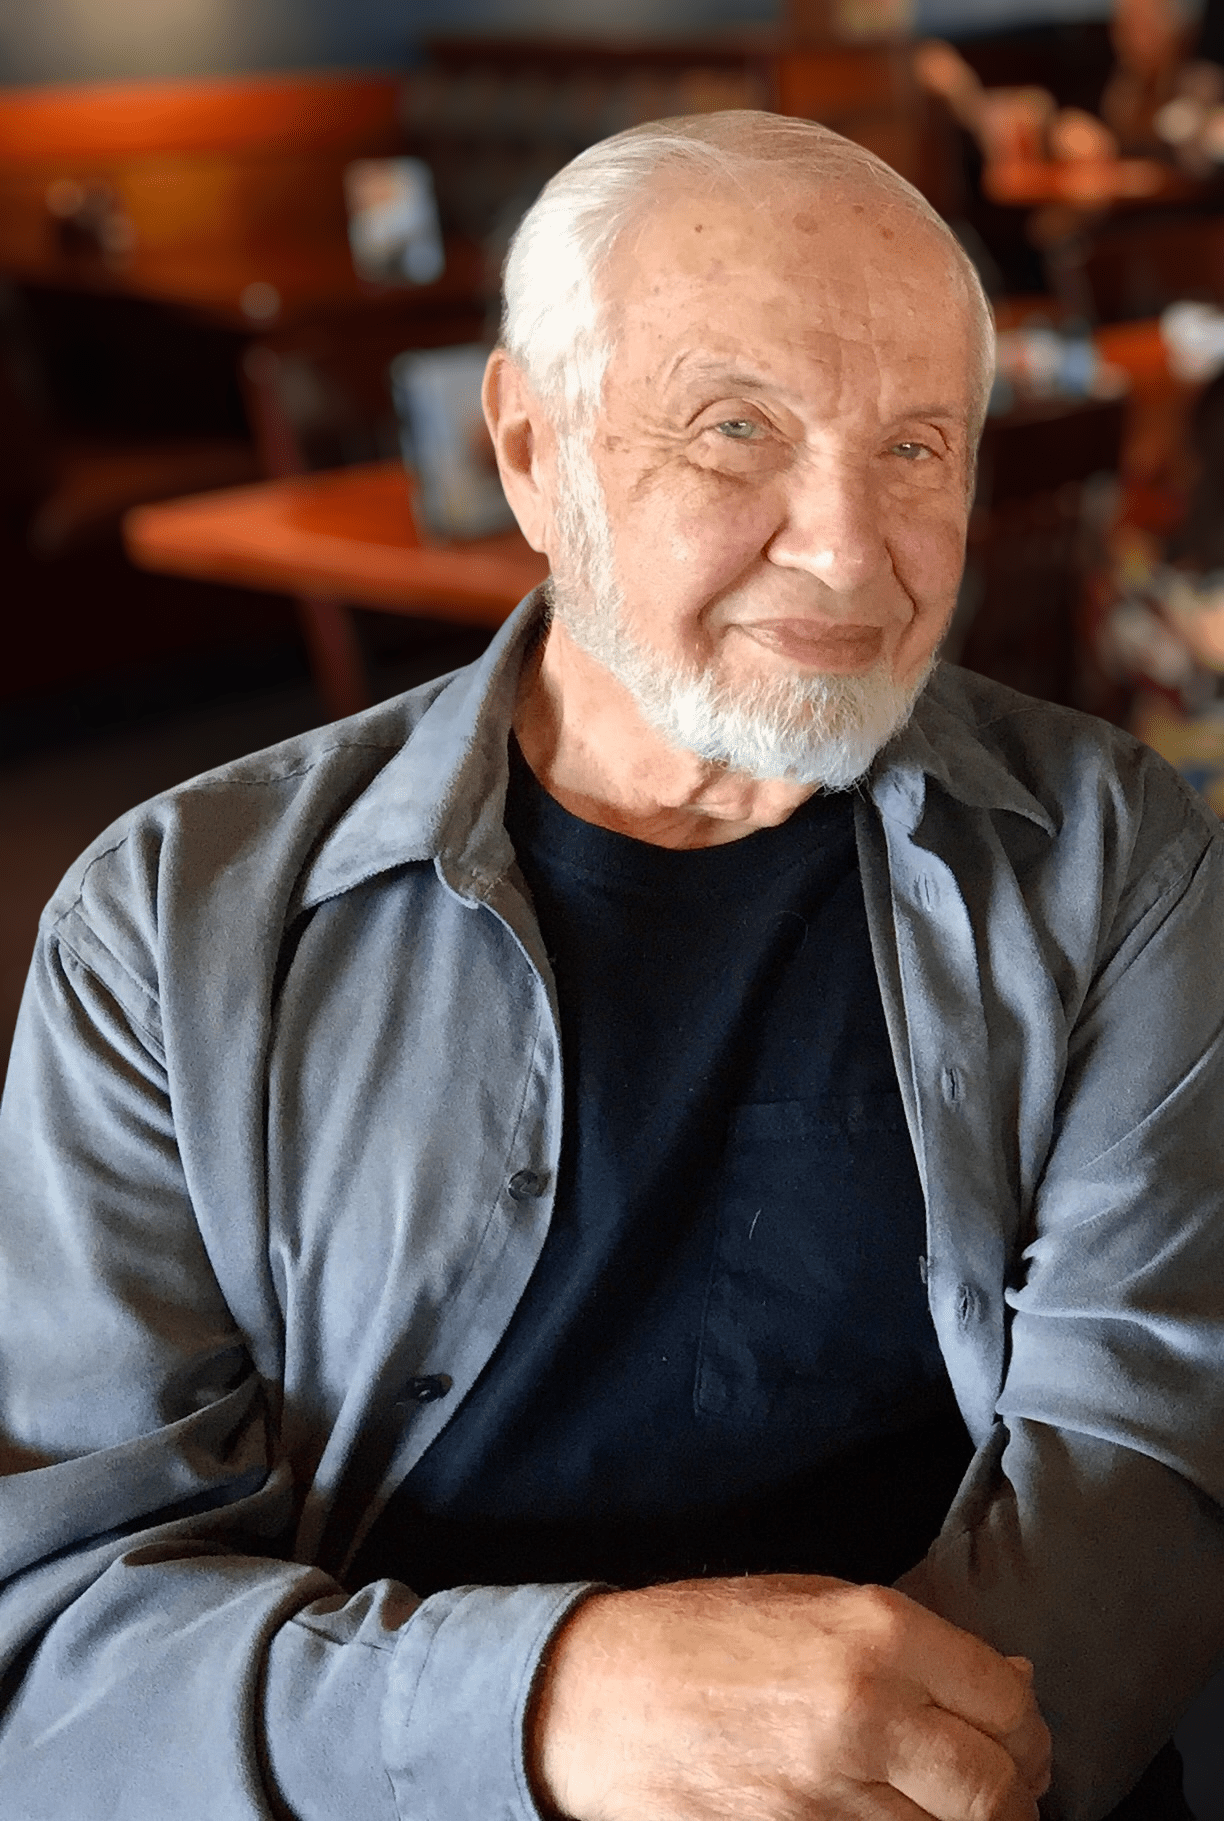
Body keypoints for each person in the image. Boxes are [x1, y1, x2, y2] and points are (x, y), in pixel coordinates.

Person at [1, 112, 1222, 1821]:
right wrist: (551, 1710)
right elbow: (67, 1656)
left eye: (919, 447)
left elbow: (1145, 1464)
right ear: (529, 445)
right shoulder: (165, 927)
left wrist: (887, 1782)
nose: (852, 548)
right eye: (738, 429)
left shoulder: (1113, 860)